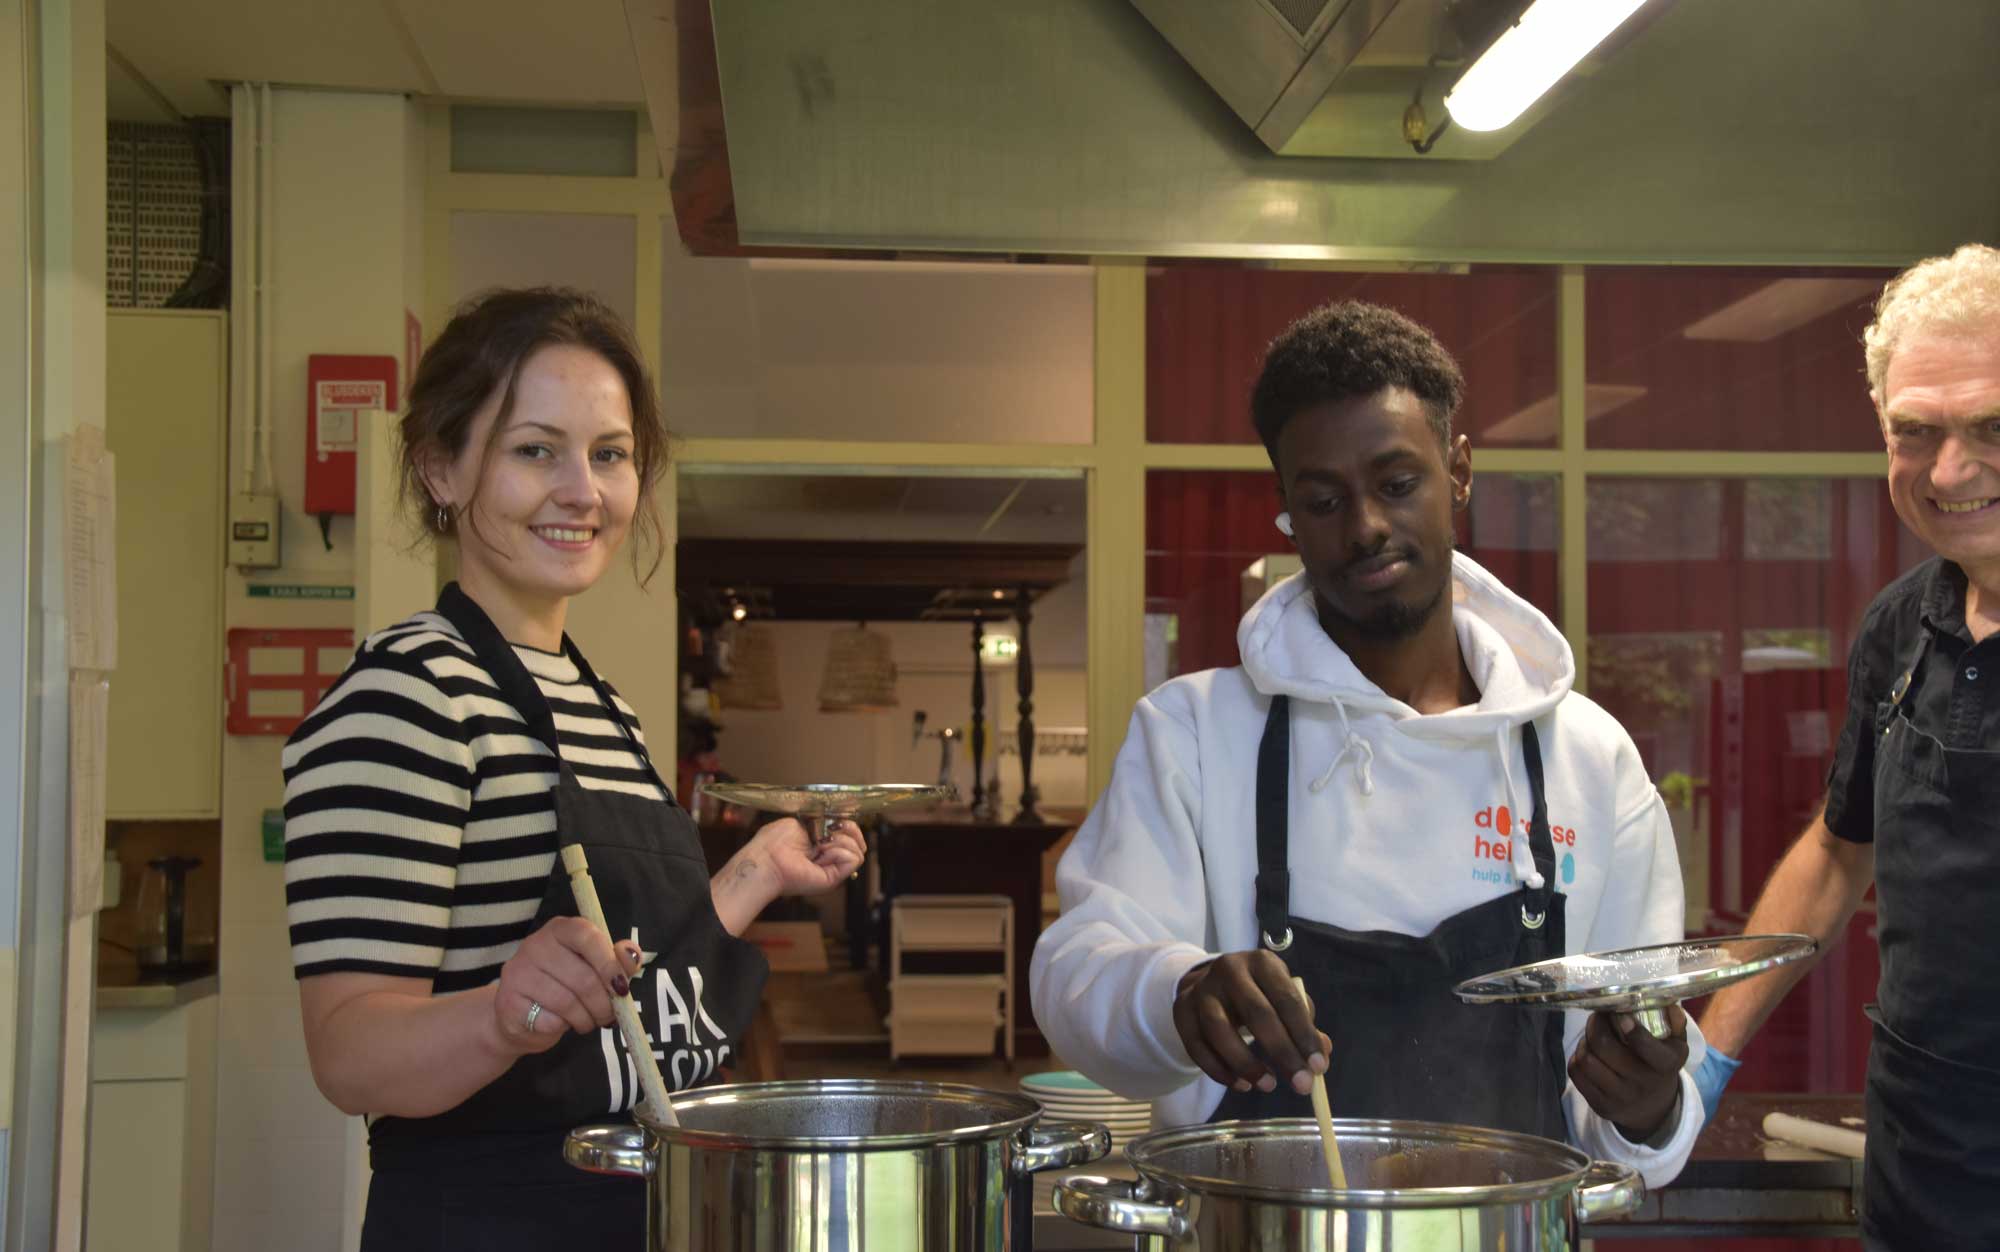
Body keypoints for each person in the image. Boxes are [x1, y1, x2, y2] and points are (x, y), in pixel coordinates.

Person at [1031, 299, 1705, 1187]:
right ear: (1286, 512)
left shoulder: (1587, 759)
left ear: (1457, 471)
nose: (1364, 529)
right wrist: (1178, 991)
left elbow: (1637, 1117)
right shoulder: (1196, 733)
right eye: (1323, 499)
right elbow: (1078, 971)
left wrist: (1651, 1105)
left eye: (1396, 484)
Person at [283, 287, 865, 1250]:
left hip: (637, 1212)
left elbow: (637, 987)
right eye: (534, 450)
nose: (583, 492)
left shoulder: (605, 707)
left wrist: (761, 870)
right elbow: (349, 1052)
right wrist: (505, 1016)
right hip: (490, 1219)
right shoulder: (406, 695)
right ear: (440, 467)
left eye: (610, 455)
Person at [1695, 243, 2000, 1251]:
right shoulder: (1898, 630)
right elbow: (1835, 853)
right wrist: (1700, 1068)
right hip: (1920, 1182)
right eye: (1914, 432)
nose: (1948, 470)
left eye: (1990, 427)